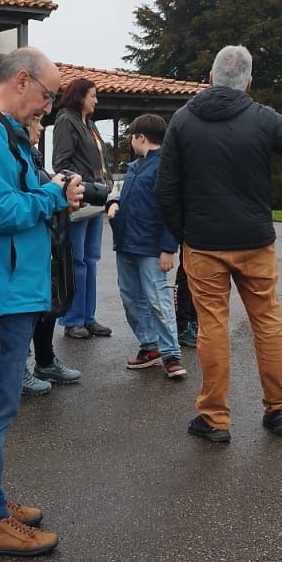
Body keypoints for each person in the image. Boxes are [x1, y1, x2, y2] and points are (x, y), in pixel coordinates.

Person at [156, 44, 282, 443]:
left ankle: (214, 417)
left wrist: (185, 233)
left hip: (203, 243)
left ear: (210, 78)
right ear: (248, 82)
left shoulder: (183, 121)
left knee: (212, 327)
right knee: (268, 323)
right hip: (254, 239)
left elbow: (165, 188)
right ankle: (279, 409)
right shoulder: (262, 118)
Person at [0, 47, 82, 556]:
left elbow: (8, 198)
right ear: (22, 81)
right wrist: (53, 197)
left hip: (9, 284)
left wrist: (51, 191)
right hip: (1, 288)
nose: (47, 106)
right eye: (47, 94)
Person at [107, 113, 187, 380]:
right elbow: (119, 193)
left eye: (132, 137)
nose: (131, 142)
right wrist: (113, 204)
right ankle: (149, 346)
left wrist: (168, 247)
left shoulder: (165, 167)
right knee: (131, 298)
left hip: (152, 247)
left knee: (157, 300)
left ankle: (171, 354)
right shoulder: (134, 167)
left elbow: (173, 210)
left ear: (141, 138)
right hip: (126, 244)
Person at [23, 112, 81, 390]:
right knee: (29, 307)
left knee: (47, 302)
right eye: (37, 120)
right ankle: (20, 370)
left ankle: (45, 363)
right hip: (32, 242)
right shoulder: (15, 152)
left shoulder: (31, 153)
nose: (41, 126)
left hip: (48, 240)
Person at [51, 78, 112, 340]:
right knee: (76, 260)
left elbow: (99, 159)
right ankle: (73, 319)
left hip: (96, 200)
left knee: (90, 260)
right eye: (93, 96)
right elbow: (61, 162)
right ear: (79, 97)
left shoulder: (91, 125)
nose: (96, 101)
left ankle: (88, 317)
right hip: (80, 200)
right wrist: (84, 187)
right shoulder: (65, 120)